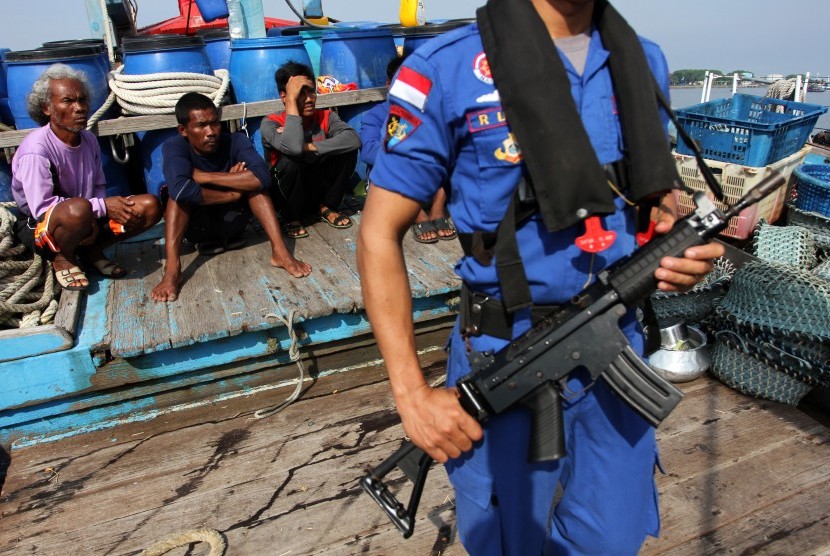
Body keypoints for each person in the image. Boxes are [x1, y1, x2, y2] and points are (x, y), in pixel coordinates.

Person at [357, 1, 726, 554]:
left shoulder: (642, 60)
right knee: (512, 540)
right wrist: (411, 394)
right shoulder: (447, 67)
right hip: (507, 356)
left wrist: (678, 246)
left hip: (615, 345)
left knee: (611, 537)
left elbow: (654, 201)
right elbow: (376, 234)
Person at [11, 63, 161, 291]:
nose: (80, 108)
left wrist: (95, 219)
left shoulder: (88, 139)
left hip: (84, 215)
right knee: (78, 209)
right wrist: (98, 209)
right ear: (47, 109)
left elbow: (98, 184)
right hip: (43, 228)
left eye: (82, 100)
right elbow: (41, 208)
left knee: (149, 206)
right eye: (68, 101)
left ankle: (91, 251)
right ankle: (62, 258)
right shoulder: (36, 150)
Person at [151, 92, 311, 303]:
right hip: (198, 228)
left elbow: (262, 176)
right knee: (175, 199)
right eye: (201, 126)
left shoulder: (235, 140)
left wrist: (206, 177)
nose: (211, 132)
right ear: (183, 130)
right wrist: (233, 192)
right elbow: (181, 189)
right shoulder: (175, 147)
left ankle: (280, 252)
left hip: (235, 222)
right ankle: (172, 270)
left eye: (215, 123)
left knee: (257, 189)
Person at [359, 55, 456, 244]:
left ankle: (437, 210)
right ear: (389, 84)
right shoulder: (375, 116)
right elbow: (368, 152)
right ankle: (418, 215)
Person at [261, 61, 361, 239]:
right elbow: (292, 149)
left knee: (345, 150)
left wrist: (308, 147)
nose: (309, 99)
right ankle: (290, 218)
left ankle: (326, 206)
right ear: (284, 96)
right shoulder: (271, 123)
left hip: (316, 188)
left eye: (311, 91)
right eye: (300, 93)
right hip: (286, 196)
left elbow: (353, 140)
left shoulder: (326, 116)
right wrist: (292, 103)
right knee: (291, 158)